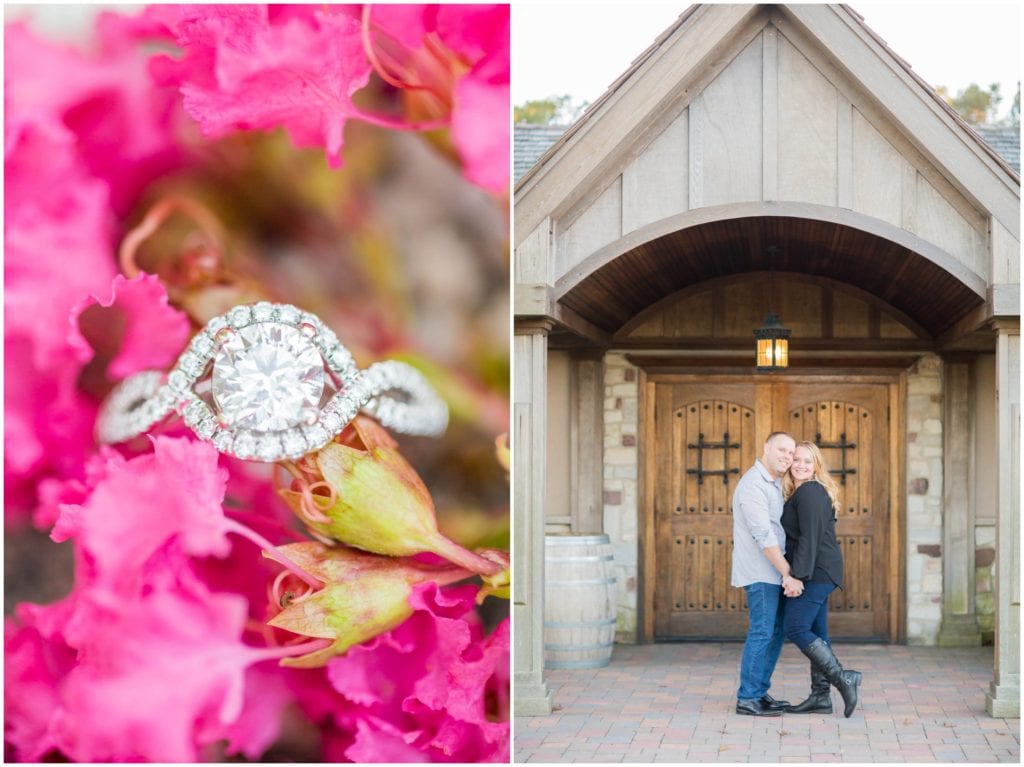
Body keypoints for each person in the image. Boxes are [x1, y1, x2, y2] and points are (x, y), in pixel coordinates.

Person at [780, 441, 862, 718]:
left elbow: (810, 539)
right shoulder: (801, 492)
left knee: (795, 626)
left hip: (816, 572)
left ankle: (843, 679)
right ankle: (820, 696)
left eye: (808, 461)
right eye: (797, 460)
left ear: (816, 465)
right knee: (818, 632)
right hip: (818, 570)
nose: (801, 465)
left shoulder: (811, 492)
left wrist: (797, 576)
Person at [731, 431, 802, 716]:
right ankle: (747, 698)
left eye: (791, 453)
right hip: (761, 573)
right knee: (762, 632)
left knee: (775, 632)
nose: (787, 456)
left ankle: (759, 692)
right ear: (766, 449)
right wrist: (788, 573)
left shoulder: (773, 483)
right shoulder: (752, 485)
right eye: (782, 450)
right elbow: (764, 535)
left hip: (773, 572)